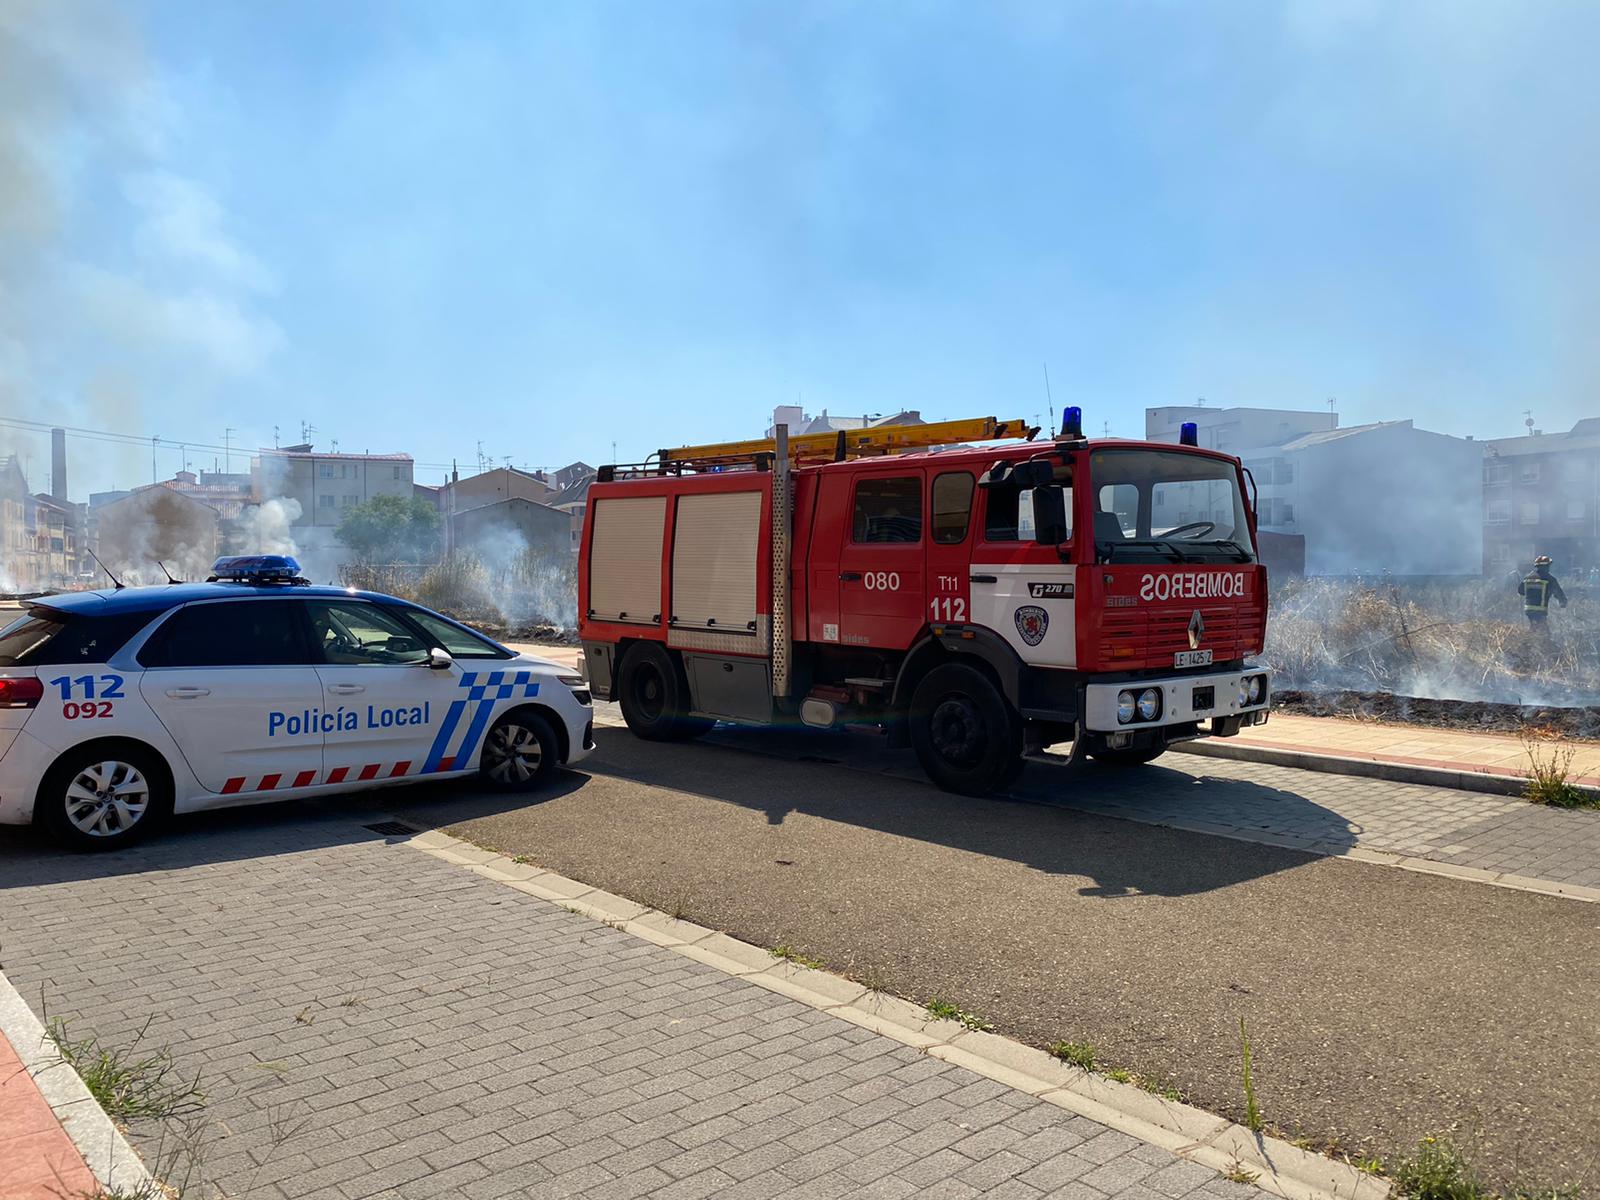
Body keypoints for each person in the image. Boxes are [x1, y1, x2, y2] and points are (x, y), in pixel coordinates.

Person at [1518, 555, 1568, 627]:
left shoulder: (1527, 577)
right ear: (1546, 567)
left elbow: (1520, 591)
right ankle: (1537, 637)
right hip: (1540, 610)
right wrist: (1563, 602)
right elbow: (1558, 592)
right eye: (1548, 566)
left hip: (1528, 610)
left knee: (1534, 627)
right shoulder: (1550, 579)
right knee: (1543, 631)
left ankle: (1530, 636)